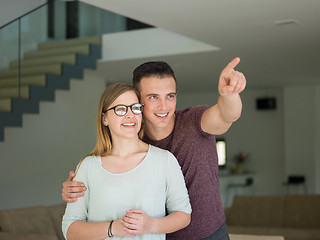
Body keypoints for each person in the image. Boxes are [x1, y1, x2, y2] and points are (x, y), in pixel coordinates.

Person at [62, 58, 246, 240]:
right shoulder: (130, 138)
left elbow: (226, 115)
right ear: (139, 102)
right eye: (153, 97)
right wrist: (77, 188)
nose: (164, 106)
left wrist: (229, 95)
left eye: (170, 96)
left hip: (210, 234)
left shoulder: (194, 121)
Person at [62, 83, 191, 240]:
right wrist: (112, 228)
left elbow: (184, 215)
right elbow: (70, 229)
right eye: (121, 109)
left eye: (135, 108)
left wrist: (150, 225)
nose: (130, 115)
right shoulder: (88, 166)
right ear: (104, 119)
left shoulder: (165, 160)